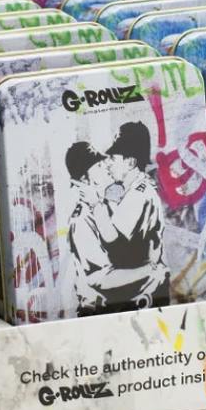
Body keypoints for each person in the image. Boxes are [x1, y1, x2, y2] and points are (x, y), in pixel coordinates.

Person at [66, 122, 169, 314]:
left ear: (130, 162)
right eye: (99, 164)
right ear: (85, 180)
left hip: (137, 303)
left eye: (111, 159)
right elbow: (99, 278)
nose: (107, 164)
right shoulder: (81, 220)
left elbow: (119, 245)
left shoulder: (124, 199)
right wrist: (150, 270)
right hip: (99, 312)